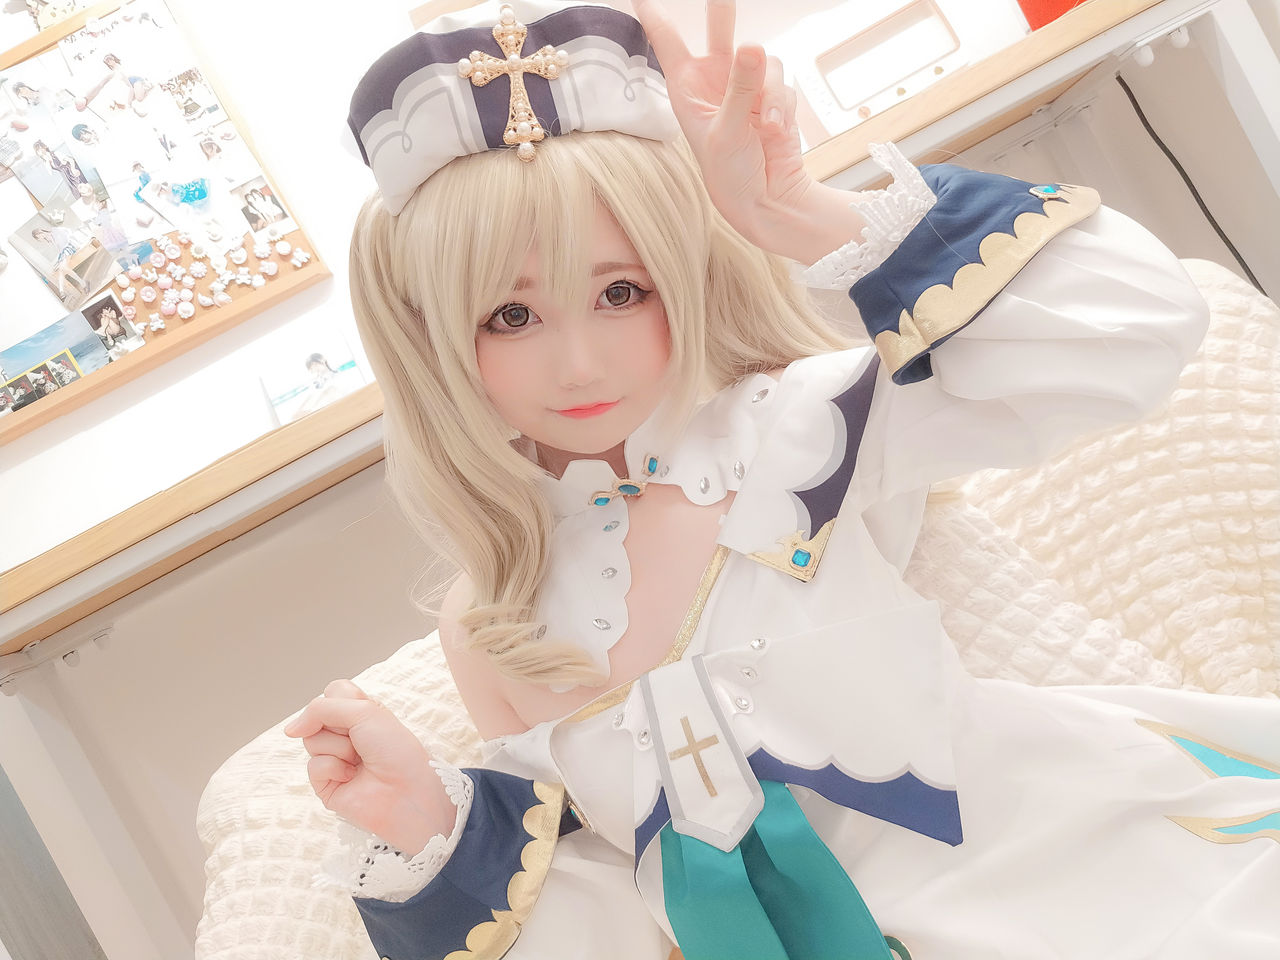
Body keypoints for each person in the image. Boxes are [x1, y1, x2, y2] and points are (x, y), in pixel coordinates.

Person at [284, 2, 1280, 958]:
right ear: (429, 338)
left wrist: (796, 209)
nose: (578, 363)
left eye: (621, 291)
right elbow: (627, 923)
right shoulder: (490, 623)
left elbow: (1136, 328)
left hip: (1080, 882)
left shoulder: (796, 428)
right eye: (512, 316)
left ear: (682, 274)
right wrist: (427, 829)